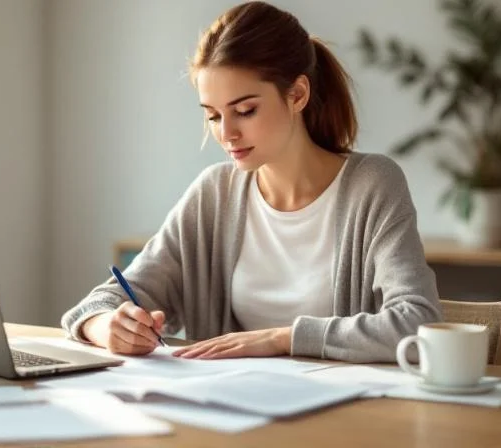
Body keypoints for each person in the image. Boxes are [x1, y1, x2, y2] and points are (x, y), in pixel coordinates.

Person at [60, 1, 442, 363]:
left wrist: (281, 338)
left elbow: (419, 322)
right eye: (212, 116)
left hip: (340, 420)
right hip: (232, 413)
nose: (226, 134)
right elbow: (100, 303)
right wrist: (106, 326)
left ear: (297, 94)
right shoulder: (214, 194)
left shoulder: (372, 185)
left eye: (245, 111)